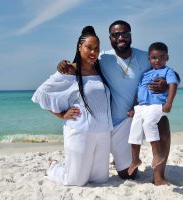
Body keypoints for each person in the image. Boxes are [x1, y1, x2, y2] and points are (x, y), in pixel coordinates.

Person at [57, 20, 172, 185]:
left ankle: (159, 176)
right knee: (128, 176)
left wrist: (165, 85)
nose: (120, 37)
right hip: (114, 125)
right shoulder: (103, 58)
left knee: (162, 122)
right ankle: (120, 158)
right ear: (110, 38)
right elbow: (82, 63)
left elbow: (168, 75)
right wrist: (64, 65)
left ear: (130, 35)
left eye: (124, 33)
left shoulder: (145, 58)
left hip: (138, 114)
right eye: (115, 34)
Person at [32, 26, 113, 186]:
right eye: (89, 47)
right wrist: (61, 115)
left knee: (100, 179)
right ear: (79, 47)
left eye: (96, 48)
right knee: (75, 181)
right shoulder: (70, 71)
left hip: (103, 132)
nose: (93, 52)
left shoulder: (100, 69)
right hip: (79, 132)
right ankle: (53, 167)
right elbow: (41, 94)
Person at [127, 42, 179, 176]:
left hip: (156, 105)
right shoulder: (145, 74)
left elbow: (173, 84)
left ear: (167, 58)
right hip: (141, 106)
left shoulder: (168, 71)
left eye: (162, 57)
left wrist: (169, 103)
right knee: (135, 130)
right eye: (154, 58)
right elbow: (138, 91)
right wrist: (133, 107)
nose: (158, 61)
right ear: (149, 59)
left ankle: (157, 154)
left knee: (149, 124)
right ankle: (135, 159)